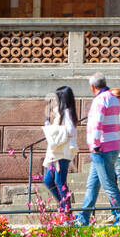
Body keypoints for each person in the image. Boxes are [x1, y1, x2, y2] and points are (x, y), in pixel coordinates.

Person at [74, 73, 120, 225]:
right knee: (92, 185)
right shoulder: (113, 99)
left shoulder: (100, 100)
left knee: (109, 185)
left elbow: (97, 123)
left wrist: (95, 144)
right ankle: (83, 218)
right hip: (113, 146)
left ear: (92, 87)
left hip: (101, 148)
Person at [42, 85, 78, 213]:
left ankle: (66, 211)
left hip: (62, 153)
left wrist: (52, 130)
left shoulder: (67, 113)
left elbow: (70, 131)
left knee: (59, 181)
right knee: (48, 181)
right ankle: (64, 207)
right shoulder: (60, 113)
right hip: (56, 153)